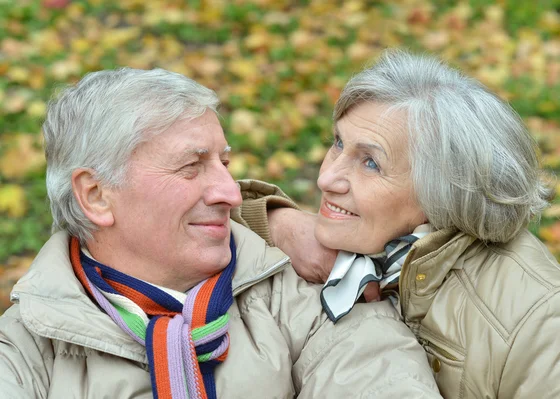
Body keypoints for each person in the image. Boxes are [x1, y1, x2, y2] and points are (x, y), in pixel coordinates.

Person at [0, 68, 442, 398]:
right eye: (192, 167)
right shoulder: (23, 349)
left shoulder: (318, 293)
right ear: (96, 196)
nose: (231, 192)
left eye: (224, 163)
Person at [235, 50, 560, 398]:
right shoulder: (368, 241)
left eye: (370, 163)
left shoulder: (542, 317)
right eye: (337, 143)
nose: (327, 178)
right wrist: (275, 222)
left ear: (443, 192)